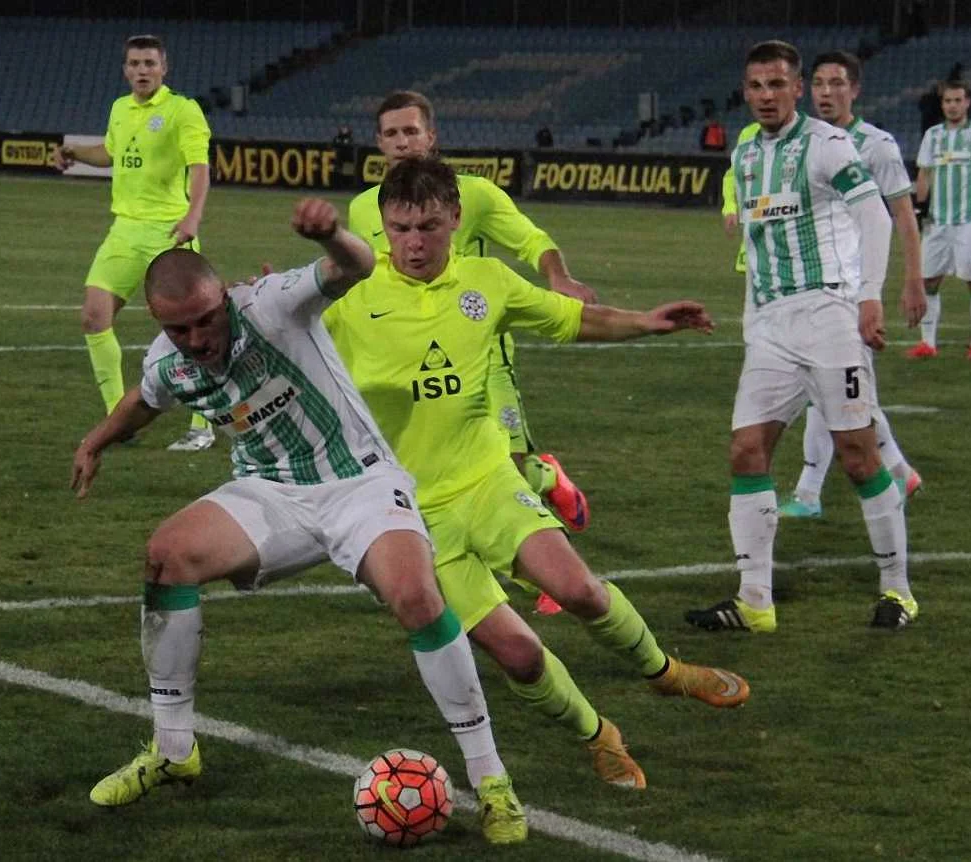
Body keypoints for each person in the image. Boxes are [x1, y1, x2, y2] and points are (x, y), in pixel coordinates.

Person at [70, 201, 528, 845]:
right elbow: (144, 401)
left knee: (417, 597)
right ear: (158, 322)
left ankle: (491, 781)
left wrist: (332, 234)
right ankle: (173, 751)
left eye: (205, 319)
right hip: (271, 492)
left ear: (223, 296)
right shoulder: (169, 361)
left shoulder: (271, 305)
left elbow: (355, 266)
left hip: (359, 483)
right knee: (167, 554)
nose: (197, 338)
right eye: (179, 329)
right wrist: (95, 441)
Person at [324, 157, 751, 790]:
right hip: (409, 514)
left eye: (429, 227)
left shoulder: (487, 281)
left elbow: (572, 318)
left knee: (578, 590)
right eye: (401, 229)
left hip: (485, 480)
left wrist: (647, 321)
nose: (414, 243)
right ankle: (598, 735)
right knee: (519, 654)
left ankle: (666, 672)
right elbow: (274, 339)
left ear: (456, 219)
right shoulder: (350, 297)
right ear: (384, 225)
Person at [684, 40, 915, 633]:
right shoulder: (745, 155)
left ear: (796, 88)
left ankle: (898, 590)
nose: (766, 96)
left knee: (859, 457)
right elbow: (757, 247)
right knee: (747, 450)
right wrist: (752, 322)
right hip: (771, 325)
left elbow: (874, 215)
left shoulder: (827, 144)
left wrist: (869, 296)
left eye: (777, 85)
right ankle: (755, 601)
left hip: (829, 315)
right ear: (746, 91)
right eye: (756, 86)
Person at [348, 90, 598, 616]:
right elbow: (362, 278)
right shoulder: (363, 207)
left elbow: (532, 240)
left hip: (482, 359)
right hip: (408, 361)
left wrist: (558, 277)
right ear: (378, 142)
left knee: (501, 465)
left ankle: (543, 567)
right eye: (392, 133)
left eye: (411, 131)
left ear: (432, 136)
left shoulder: (475, 195)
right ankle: (546, 482)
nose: (402, 142)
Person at [778, 51, 929, 519]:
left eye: (837, 84)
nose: (826, 93)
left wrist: (913, 281)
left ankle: (810, 492)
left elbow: (903, 216)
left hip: (853, 289)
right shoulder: (802, 143)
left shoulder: (876, 145)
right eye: (819, 84)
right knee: (835, 387)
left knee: (833, 387)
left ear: (855, 90)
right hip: (812, 283)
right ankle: (897, 470)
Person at [55, 34, 215, 452]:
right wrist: (75, 153)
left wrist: (192, 216)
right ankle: (119, 420)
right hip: (124, 231)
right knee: (94, 316)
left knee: (192, 328)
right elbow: (111, 153)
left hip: (168, 231)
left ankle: (203, 424)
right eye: (135, 63)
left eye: (149, 63)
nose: (142, 70)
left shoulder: (182, 110)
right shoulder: (119, 109)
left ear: (164, 68)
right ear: (125, 70)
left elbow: (199, 167)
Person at [908, 80, 971, 361]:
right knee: (929, 282)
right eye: (947, 101)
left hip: (970, 223)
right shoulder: (933, 135)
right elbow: (924, 174)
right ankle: (927, 343)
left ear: (967, 103)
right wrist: (919, 208)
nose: (952, 106)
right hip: (937, 223)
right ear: (942, 104)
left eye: (957, 100)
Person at [720, 121, 761, 273]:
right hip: (754, 222)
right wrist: (730, 208)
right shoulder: (749, 133)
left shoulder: (804, 133)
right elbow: (733, 175)